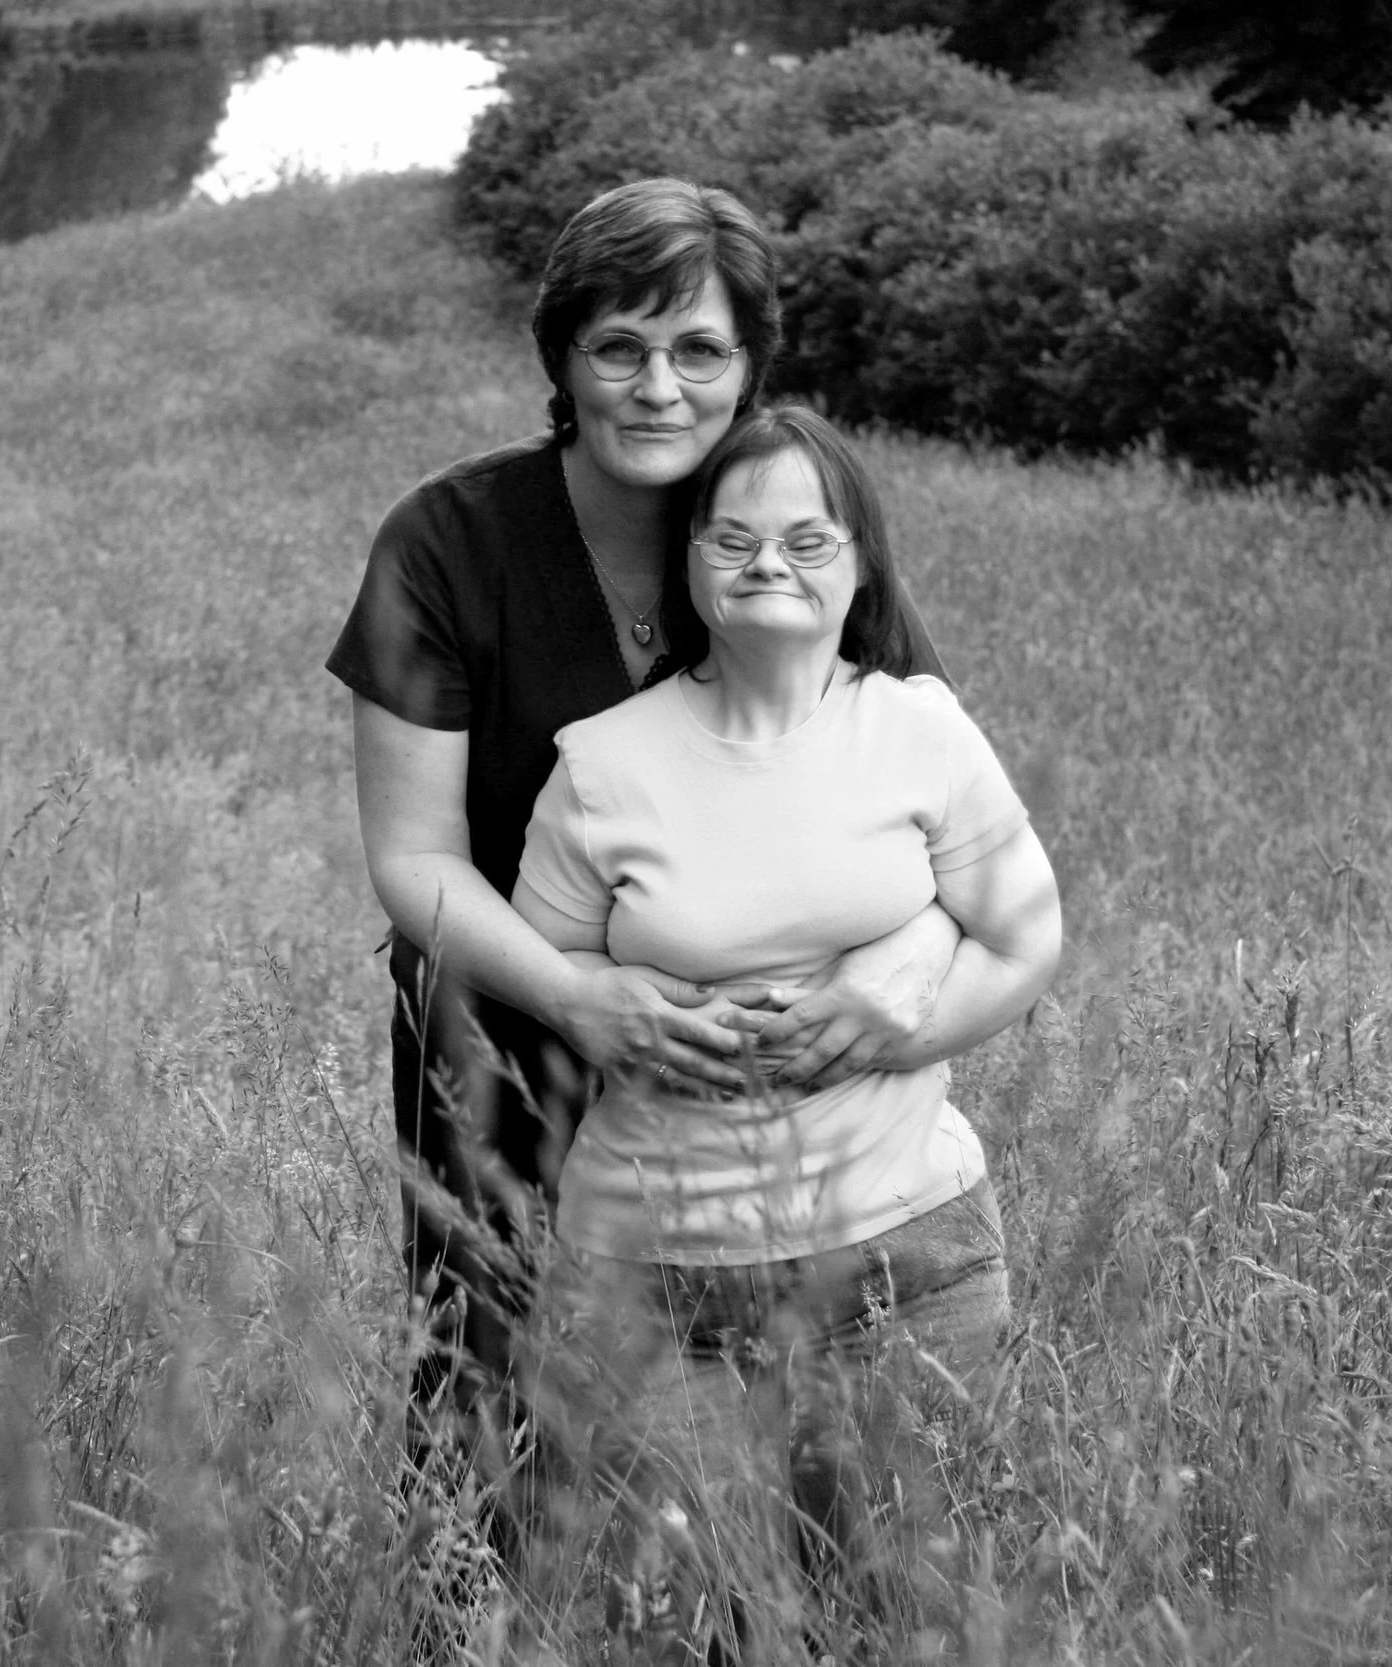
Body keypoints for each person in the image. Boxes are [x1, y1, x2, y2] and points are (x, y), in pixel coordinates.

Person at [324, 178, 961, 1551]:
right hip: (498, 1047)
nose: (657, 386)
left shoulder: (782, 531)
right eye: (618, 346)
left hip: (767, 1075)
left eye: (699, 351)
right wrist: (575, 995)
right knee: (486, 1401)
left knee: (784, 1422)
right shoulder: (444, 544)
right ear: (560, 356)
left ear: (750, 367)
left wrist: (899, 971)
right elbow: (415, 856)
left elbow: (936, 807)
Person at [506, 404, 1062, 1658]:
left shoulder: (919, 728)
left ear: (860, 562)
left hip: (907, 1266)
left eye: (808, 540)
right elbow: (545, 975)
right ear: (688, 565)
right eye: (734, 537)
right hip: (651, 1280)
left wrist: (890, 1034)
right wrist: (620, 1013)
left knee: (904, 1622)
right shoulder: (599, 764)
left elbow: (1025, 940)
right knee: (678, 1623)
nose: (770, 563)